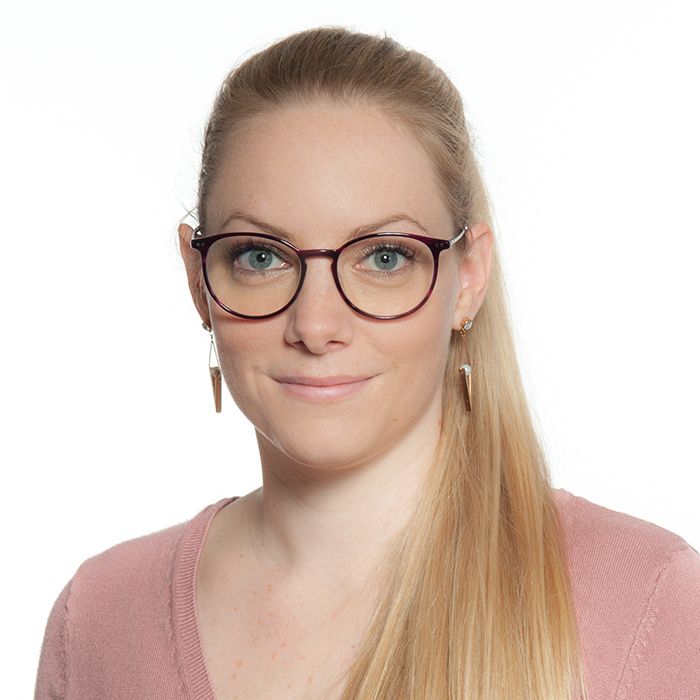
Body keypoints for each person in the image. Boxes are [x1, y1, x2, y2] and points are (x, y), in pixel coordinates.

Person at [34, 26, 700, 700]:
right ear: (197, 278)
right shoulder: (97, 622)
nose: (316, 326)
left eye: (384, 257)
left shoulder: (646, 606)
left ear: (468, 278)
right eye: (260, 256)